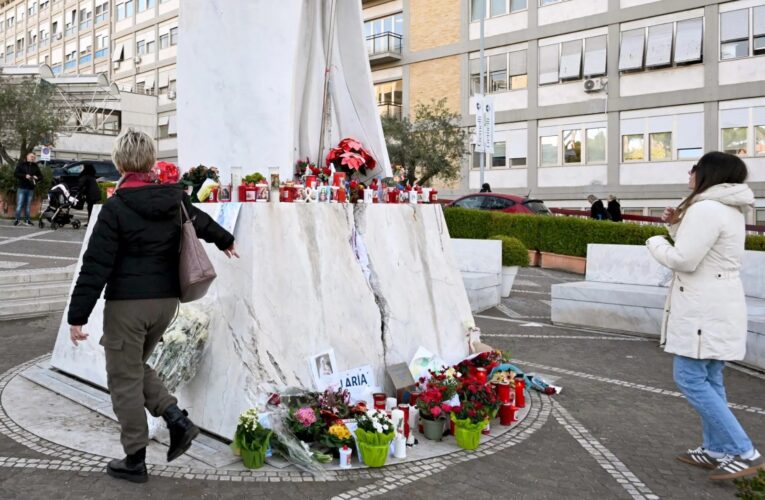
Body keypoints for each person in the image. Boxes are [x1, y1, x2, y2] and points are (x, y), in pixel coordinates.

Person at [67, 130, 239, 483]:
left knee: (123, 380)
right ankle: (177, 420)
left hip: (128, 306)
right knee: (133, 368)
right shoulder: (172, 199)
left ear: (119, 163)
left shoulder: (116, 207)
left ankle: (135, 459)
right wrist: (226, 241)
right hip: (165, 303)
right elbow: (201, 223)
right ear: (150, 161)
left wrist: (77, 316)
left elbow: (96, 264)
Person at [646, 152, 763, 481]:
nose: (689, 171)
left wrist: (655, 241)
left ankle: (743, 450)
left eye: (694, 167)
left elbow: (684, 260)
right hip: (719, 304)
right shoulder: (725, 208)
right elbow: (703, 251)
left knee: (689, 378)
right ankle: (717, 449)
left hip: (703, 309)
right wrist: (673, 226)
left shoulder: (706, 208)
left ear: (708, 173)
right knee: (710, 377)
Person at [14, 152, 42, 226]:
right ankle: (17, 220)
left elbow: (41, 176)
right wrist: (25, 176)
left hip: (30, 189)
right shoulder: (21, 165)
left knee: (28, 205)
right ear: (27, 157)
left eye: (33, 157)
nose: (32, 158)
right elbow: (16, 174)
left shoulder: (35, 166)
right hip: (22, 188)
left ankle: (27, 220)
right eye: (31, 156)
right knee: (19, 204)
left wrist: (37, 177)